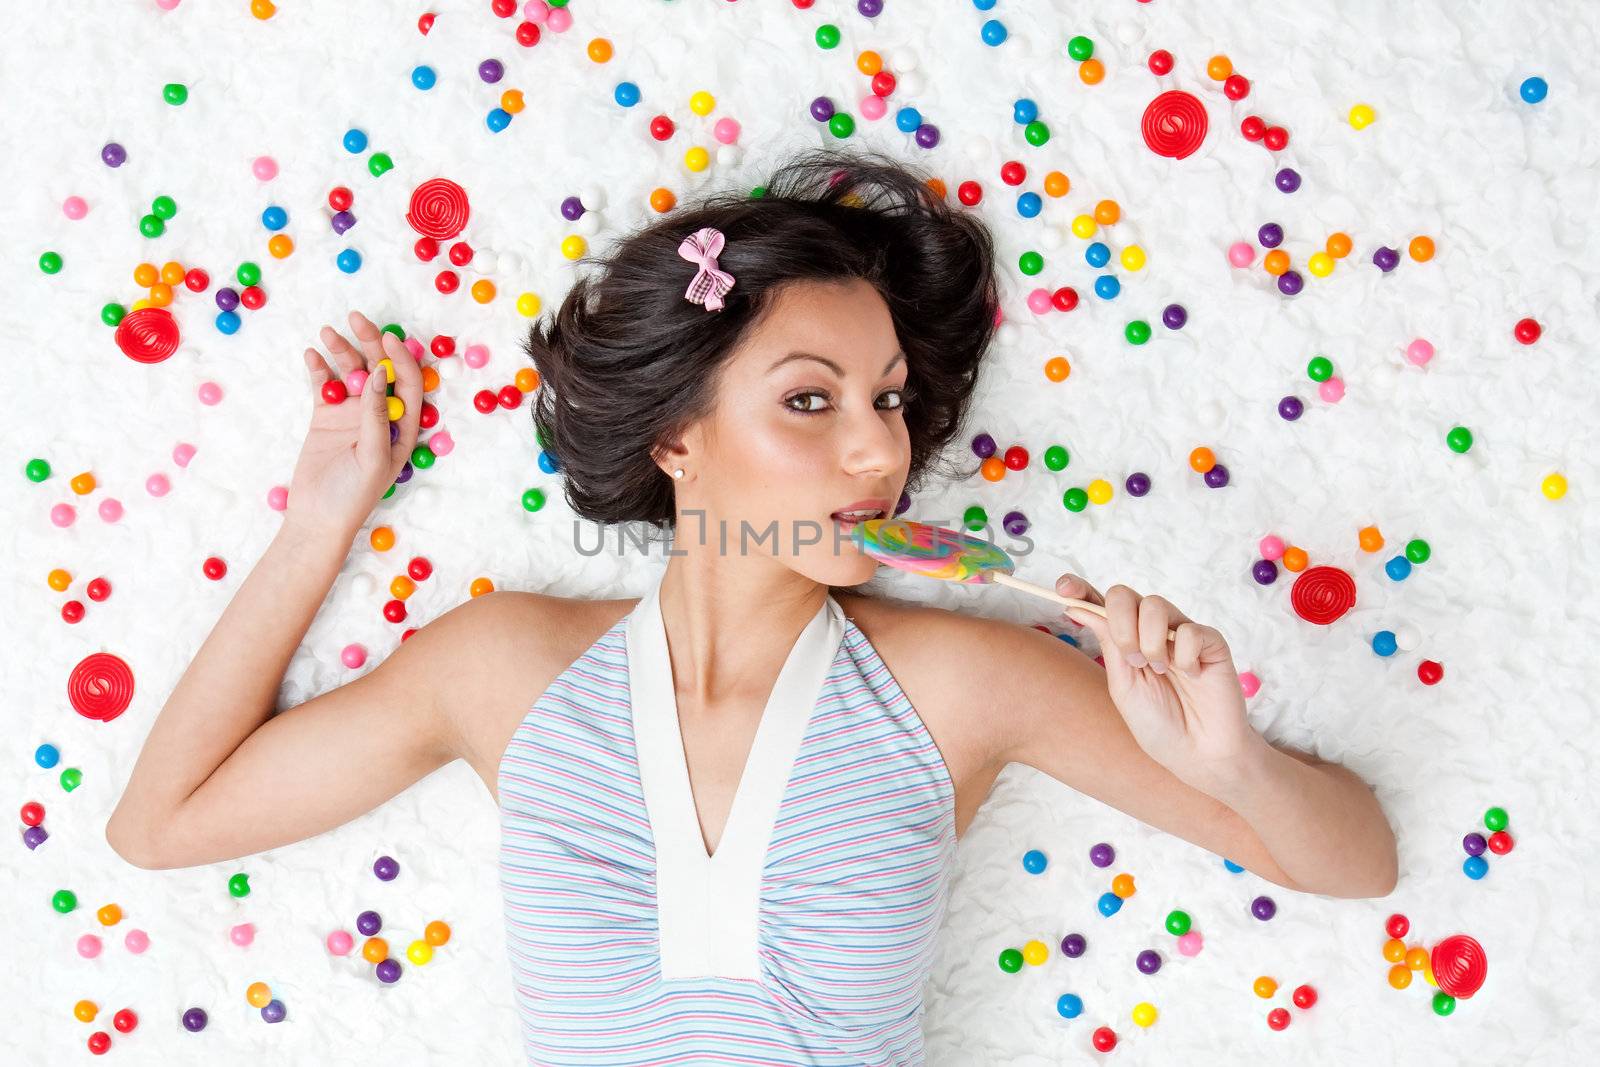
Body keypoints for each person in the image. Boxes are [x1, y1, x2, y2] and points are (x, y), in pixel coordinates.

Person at [107, 147, 1396, 1065]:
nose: (875, 455)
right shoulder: (499, 668)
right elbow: (160, 825)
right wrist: (320, 523)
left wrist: (1230, 763)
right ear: (676, 439)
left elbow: (1356, 863)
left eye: (889, 400)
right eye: (809, 398)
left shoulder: (963, 683)